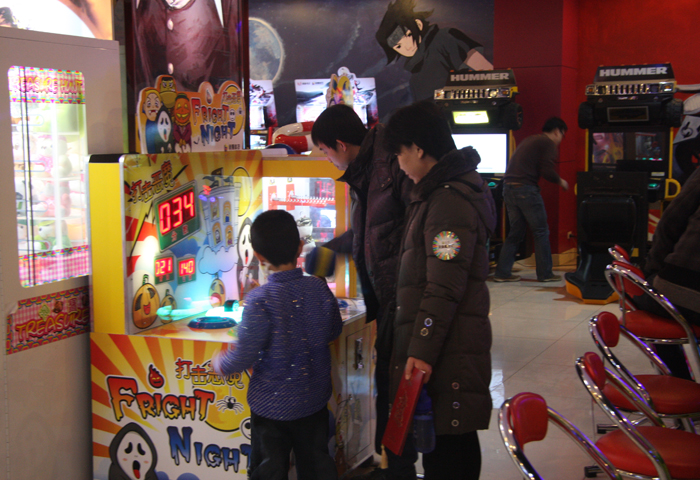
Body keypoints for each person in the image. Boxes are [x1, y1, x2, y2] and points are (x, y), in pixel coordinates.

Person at [382, 99, 496, 480]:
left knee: (450, 443)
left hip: (450, 347)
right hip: (448, 341)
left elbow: (443, 287)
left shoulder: (448, 200)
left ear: (418, 149)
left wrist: (421, 350)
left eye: (399, 153)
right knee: (449, 438)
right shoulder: (435, 193)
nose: (399, 163)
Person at [311, 104, 414, 480]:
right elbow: (372, 229)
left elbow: (410, 229)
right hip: (388, 297)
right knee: (387, 384)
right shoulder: (366, 170)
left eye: (325, 151)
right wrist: (331, 250)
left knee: (398, 388)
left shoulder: (390, 165)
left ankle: (399, 469)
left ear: (341, 144)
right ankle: (394, 466)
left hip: (404, 298)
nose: (326, 159)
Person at [210, 209, 342, 480]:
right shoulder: (318, 289)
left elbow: (244, 355)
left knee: (269, 471)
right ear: (300, 247)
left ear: (259, 256)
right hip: (313, 403)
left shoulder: (259, 299)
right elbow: (333, 330)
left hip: (270, 409)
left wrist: (221, 363)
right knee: (317, 468)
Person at [635, 165, 700, 379]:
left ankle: (680, 382)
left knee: (646, 296)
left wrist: (652, 270)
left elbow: (671, 221)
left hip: (678, 287)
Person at [494, 117, 570, 282]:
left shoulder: (531, 140)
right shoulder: (547, 143)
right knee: (541, 231)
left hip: (508, 189)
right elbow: (547, 170)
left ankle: (502, 273)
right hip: (525, 190)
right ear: (557, 131)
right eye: (562, 135)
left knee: (516, 232)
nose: (560, 139)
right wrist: (561, 181)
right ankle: (545, 274)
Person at [375, 0, 493, 102]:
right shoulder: (415, 79)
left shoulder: (445, 37)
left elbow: (487, 72)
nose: (407, 47)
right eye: (398, 46)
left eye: (409, 36)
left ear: (418, 24)